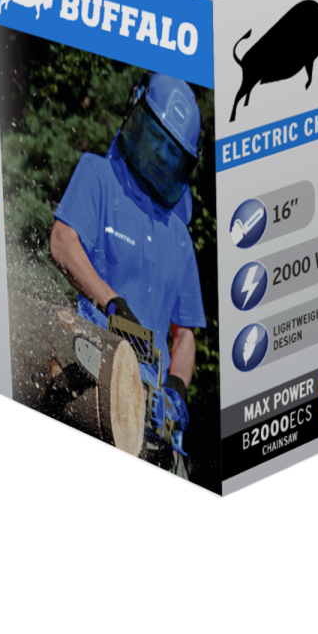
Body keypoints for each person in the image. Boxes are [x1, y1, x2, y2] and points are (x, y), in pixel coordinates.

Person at [49, 72, 205, 472]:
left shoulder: (180, 237)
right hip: (93, 375)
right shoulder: (97, 175)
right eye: (156, 139)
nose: (161, 157)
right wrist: (112, 304)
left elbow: (185, 334)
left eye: (173, 153)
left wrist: (175, 391)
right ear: (136, 119)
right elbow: (62, 241)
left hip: (149, 414)